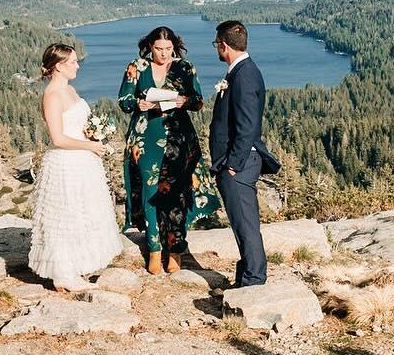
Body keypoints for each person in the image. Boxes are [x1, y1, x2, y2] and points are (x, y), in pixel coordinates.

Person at [117, 25, 221, 276]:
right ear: (149, 47)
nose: (163, 54)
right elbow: (123, 100)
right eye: (158, 49)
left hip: (178, 138)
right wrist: (139, 103)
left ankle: (175, 250)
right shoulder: (137, 66)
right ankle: (154, 249)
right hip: (146, 138)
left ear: (175, 47)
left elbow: (198, 101)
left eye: (168, 49)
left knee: (177, 193)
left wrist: (183, 100)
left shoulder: (185, 68)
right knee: (151, 192)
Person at [27, 43, 126, 292]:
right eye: (72, 62)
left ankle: (79, 264)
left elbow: (79, 126)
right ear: (58, 66)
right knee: (66, 217)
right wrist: (90, 146)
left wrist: (95, 137)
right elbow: (58, 139)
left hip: (83, 161)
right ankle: (63, 274)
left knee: (83, 214)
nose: (78, 65)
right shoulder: (51, 95)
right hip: (66, 164)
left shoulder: (69, 90)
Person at [208, 20, 278, 288]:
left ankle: (253, 280)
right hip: (235, 162)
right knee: (241, 223)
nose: (217, 48)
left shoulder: (245, 75)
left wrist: (233, 165)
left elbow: (248, 126)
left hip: (239, 163)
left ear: (224, 46)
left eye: (217, 44)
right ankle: (246, 275)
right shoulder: (239, 71)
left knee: (246, 225)